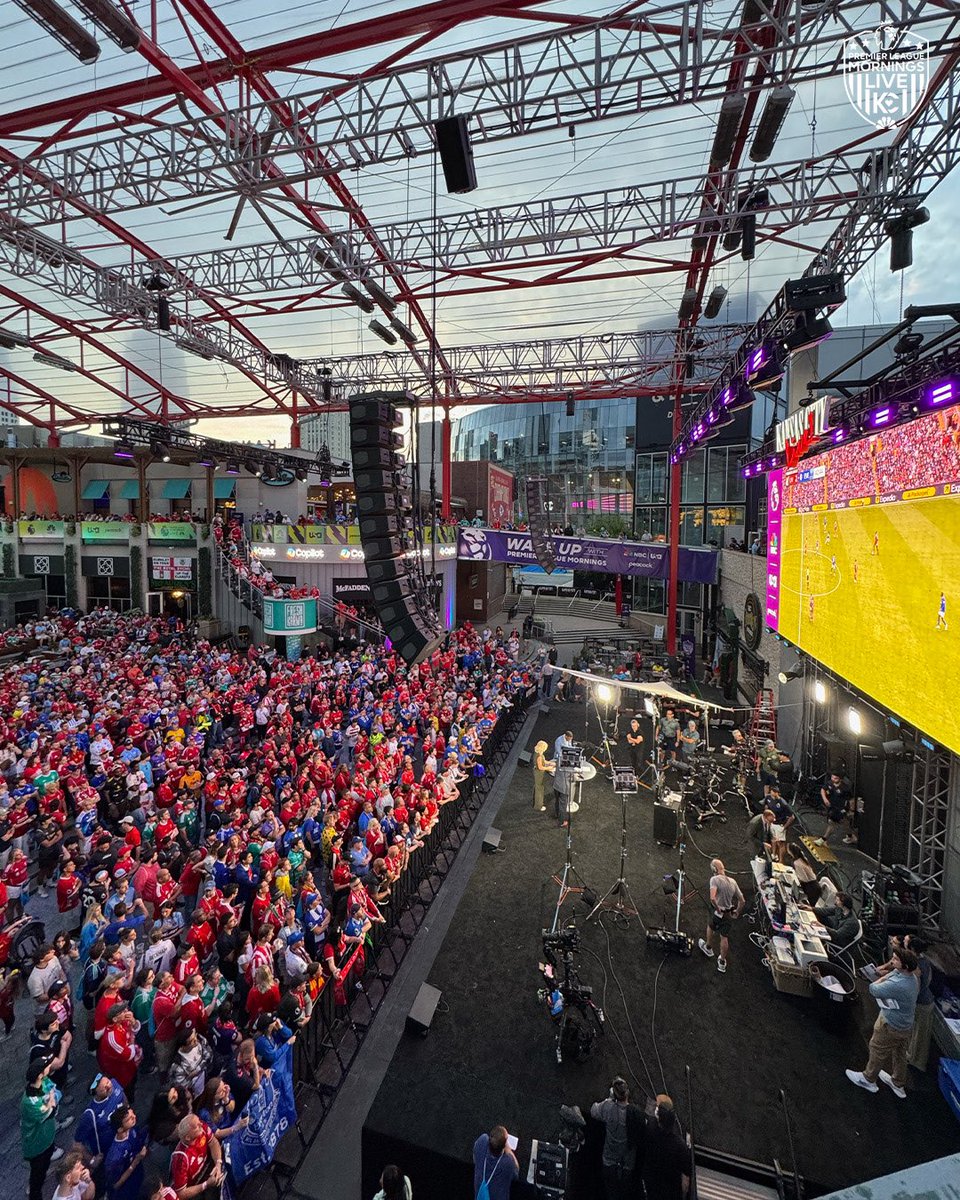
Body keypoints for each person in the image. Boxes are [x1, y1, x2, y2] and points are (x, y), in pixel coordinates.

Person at [845, 946, 919, 1099]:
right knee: (900, 1054)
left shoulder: (898, 984)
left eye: (896, 959)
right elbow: (894, 974)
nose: (892, 961)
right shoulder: (912, 978)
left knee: (877, 1049)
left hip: (890, 1025)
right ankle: (898, 1082)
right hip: (905, 1025)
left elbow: (873, 989)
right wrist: (891, 972)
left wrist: (882, 977)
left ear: (905, 966)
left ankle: (868, 1079)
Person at [590, 1076, 643, 1200]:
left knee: (610, 1192)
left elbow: (593, 1110)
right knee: (624, 1193)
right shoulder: (636, 1113)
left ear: (614, 1094)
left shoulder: (608, 1107)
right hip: (627, 1164)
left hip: (609, 1161)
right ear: (627, 1093)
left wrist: (609, 1099)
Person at [21, 1057, 67, 1200]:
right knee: (38, 1173)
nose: (49, 1066)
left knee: (44, 1164)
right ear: (40, 1074)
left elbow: (56, 1094)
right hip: (37, 1145)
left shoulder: (44, 1081)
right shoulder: (30, 1101)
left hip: (48, 1136)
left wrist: (51, 1100)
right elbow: (49, 1112)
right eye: (46, 1066)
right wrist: (51, 1100)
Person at [698, 859, 744, 974]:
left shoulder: (714, 880)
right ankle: (722, 962)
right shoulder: (733, 881)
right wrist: (737, 911)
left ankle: (708, 948)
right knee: (724, 937)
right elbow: (742, 900)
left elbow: (712, 898)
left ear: (714, 869)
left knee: (711, 926)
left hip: (718, 912)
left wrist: (718, 909)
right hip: (728, 914)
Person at [642, 1095, 690, 1200]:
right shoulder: (680, 1146)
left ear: (659, 1120)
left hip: (652, 1189)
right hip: (671, 1193)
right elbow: (685, 1180)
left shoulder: (650, 1132)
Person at [170, 1113, 225, 1200]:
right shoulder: (180, 1159)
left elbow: (214, 1142)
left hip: (207, 1169)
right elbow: (181, 1194)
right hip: (194, 1188)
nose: (201, 1124)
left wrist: (218, 1163)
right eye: (196, 1126)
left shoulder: (201, 1127)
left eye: (199, 1121)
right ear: (188, 1137)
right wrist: (206, 1184)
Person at [104, 1106, 149, 1200]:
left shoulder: (132, 1129)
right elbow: (116, 1185)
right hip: (127, 1189)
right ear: (120, 1129)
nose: (134, 1117)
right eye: (129, 1119)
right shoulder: (115, 1156)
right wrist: (136, 1161)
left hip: (139, 1175)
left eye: (133, 1114)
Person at [472, 1125, 519, 1200]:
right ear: (504, 1146)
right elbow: (516, 1172)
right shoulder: (507, 1163)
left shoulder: (482, 1141)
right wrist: (508, 1150)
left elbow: (475, 1155)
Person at [816, 771, 853, 845]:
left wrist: (849, 810)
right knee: (844, 823)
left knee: (831, 823)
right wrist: (825, 799)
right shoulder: (829, 783)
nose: (833, 779)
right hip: (832, 807)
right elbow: (823, 790)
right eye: (832, 777)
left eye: (835, 778)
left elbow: (851, 800)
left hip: (840, 808)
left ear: (840, 779)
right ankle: (851, 836)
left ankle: (823, 839)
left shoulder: (845, 788)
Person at [532, 741, 553, 812]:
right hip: (538, 773)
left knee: (538, 787)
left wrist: (550, 763)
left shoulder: (538, 753)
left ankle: (536, 802)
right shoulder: (539, 756)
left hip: (538, 772)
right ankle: (538, 806)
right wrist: (549, 768)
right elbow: (540, 767)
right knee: (539, 789)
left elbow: (544, 761)